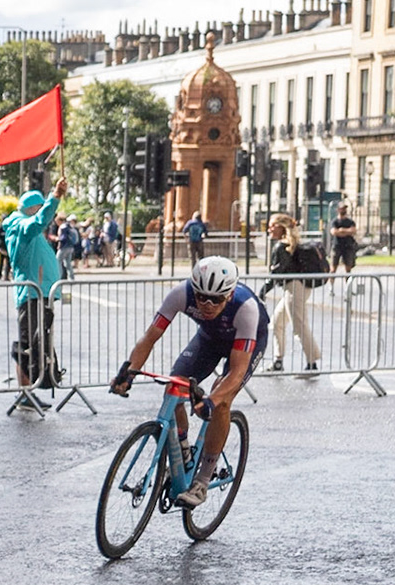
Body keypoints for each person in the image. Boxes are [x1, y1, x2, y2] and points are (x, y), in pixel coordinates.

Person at [110, 255, 266, 509]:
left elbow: (237, 373)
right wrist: (129, 371)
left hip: (246, 342)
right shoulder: (180, 294)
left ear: (229, 295)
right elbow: (150, 337)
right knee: (177, 384)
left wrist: (212, 402)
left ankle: (202, 481)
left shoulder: (245, 308)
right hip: (209, 339)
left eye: (215, 299)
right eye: (201, 296)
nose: (206, 303)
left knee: (222, 398)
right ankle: (182, 451)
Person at [2, 180, 67, 388]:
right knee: (27, 343)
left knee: (34, 342)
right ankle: (25, 391)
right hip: (31, 293)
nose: (47, 218)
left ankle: (30, 389)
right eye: (41, 210)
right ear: (34, 209)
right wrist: (55, 196)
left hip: (40, 293)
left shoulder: (27, 228)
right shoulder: (21, 226)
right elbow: (40, 221)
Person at [266, 217, 321, 373]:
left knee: (299, 325)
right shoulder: (289, 245)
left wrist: (261, 292)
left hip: (294, 288)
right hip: (297, 288)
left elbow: (275, 273)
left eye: (272, 226)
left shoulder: (281, 247)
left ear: (280, 228)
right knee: (278, 321)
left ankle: (312, 362)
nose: (269, 229)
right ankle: (278, 360)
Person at [331, 202, 360, 273]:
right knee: (333, 268)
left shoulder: (350, 222)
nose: (343, 210)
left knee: (348, 268)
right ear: (338, 210)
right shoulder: (335, 222)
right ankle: (332, 283)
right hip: (337, 245)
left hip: (348, 246)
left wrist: (342, 230)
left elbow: (353, 231)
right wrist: (347, 232)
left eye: (344, 208)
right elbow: (334, 232)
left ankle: (348, 283)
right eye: (342, 208)